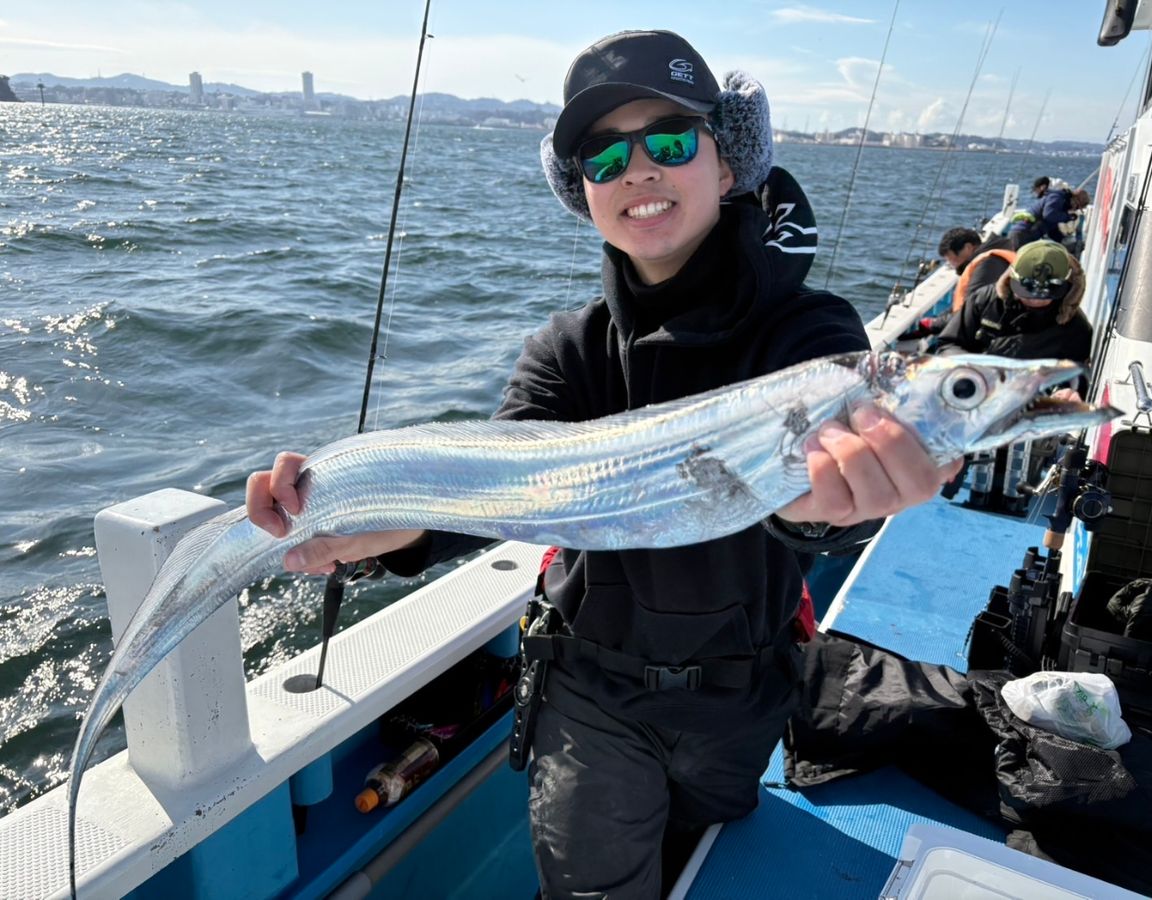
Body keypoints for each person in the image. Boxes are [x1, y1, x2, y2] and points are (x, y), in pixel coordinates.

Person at [246, 30, 960, 900]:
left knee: (712, 864)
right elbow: (495, 486)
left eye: (668, 140)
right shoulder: (566, 351)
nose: (638, 170)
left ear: (728, 164)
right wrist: (384, 527)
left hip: (744, 694)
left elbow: (811, 505)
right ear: (582, 192)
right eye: (602, 155)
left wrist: (839, 502)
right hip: (592, 697)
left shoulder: (811, 339)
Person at [936, 239, 1092, 365]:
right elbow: (948, 344)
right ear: (1011, 279)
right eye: (1026, 292)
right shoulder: (984, 300)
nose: (1034, 300)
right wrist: (972, 368)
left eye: (1045, 295)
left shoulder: (1076, 329)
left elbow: (1074, 375)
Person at [899, 226, 1013, 341]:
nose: (953, 265)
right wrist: (939, 320)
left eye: (952, 259)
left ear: (968, 247)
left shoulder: (988, 265)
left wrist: (932, 324)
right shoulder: (994, 255)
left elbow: (970, 310)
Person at [1009, 185, 1090, 248]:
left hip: (1029, 236)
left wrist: (1063, 240)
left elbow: (1052, 229)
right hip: (1022, 234)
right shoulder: (1057, 198)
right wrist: (1067, 217)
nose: (1074, 209)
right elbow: (1048, 215)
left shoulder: (1061, 206)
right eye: (1076, 207)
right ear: (1074, 200)